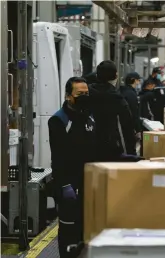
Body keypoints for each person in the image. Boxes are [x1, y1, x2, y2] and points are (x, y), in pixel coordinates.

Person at [48, 77, 96, 258]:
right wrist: (64, 185)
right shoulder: (59, 120)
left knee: (87, 229)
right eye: (79, 94)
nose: (84, 97)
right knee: (69, 231)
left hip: (89, 182)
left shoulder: (90, 116)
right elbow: (58, 157)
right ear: (68, 96)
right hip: (69, 185)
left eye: (86, 94)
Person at [89, 60, 137, 160]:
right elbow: (127, 124)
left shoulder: (88, 92)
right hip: (110, 145)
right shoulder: (117, 98)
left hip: (89, 141)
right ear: (115, 76)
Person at [119, 72, 142, 141]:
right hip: (129, 125)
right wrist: (138, 129)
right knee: (130, 147)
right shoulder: (131, 94)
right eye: (138, 80)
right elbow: (134, 112)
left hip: (122, 124)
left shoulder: (122, 91)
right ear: (134, 80)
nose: (139, 82)